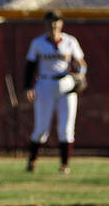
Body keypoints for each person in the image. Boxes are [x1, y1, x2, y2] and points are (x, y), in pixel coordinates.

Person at [23, 10, 86, 174]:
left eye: (57, 21)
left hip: (66, 85)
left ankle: (65, 165)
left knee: (66, 128)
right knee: (41, 128)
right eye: (51, 21)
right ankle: (32, 161)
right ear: (45, 23)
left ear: (61, 23)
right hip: (45, 84)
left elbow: (81, 63)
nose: (54, 24)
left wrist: (81, 74)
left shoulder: (70, 41)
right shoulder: (38, 43)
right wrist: (28, 87)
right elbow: (30, 67)